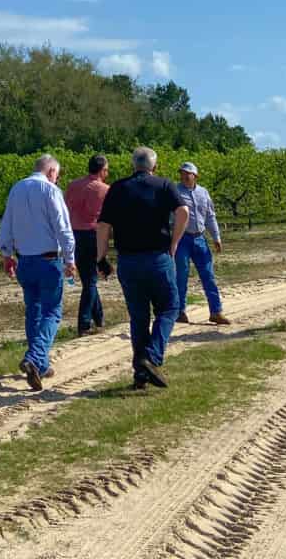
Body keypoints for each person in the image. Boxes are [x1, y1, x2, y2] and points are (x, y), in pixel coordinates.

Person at [96, 146, 189, 390]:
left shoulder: (117, 188)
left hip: (128, 260)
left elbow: (104, 225)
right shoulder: (164, 185)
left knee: (139, 317)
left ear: (132, 166)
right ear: (154, 166)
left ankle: (140, 374)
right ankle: (152, 357)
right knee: (170, 308)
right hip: (158, 258)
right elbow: (183, 211)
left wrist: (101, 258)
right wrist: (175, 243)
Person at [0, 154, 77, 389]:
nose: (58, 179)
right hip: (48, 260)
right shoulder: (51, 191)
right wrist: (71, 259)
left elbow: (7, 223)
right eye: (58, 175)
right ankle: (34, 357)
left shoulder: (17, 188)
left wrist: (6, 254)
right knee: (52, 312)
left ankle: (40, 365)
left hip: (25, 261)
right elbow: (63, 228)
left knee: (33, 311)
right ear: (52, 171)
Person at [174, 161, 230, 326]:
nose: (184, 176)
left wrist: (216, 237)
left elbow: (210, 216)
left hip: (200, 238)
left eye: (187, 173)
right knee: (181, 276)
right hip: (182, 239)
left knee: (208, 275)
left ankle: (216, 312)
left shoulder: (203, 193)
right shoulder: (175, 191)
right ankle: (180, 312)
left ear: (195, 175)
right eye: (182, 173)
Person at [64, 153, 111, 336]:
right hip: (92, 235)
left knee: (88, 279)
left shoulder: (73, 185)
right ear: (102, 170)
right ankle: (84, 324)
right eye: (107, 169)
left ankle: (99, 318)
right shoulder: (104, 189)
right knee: (90, 281)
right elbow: (107, 219)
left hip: (74, 235)